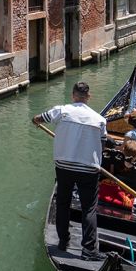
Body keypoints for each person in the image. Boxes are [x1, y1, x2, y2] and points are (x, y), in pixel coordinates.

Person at [32, 81, 106, 261]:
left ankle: (63, 241)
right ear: (88, 97)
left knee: (63, 203)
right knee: (89, 208)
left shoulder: (61, 111)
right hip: (89, 169)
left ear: (73, 95)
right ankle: (89, 250)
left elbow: (38, 118)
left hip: (64, 166)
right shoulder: (100, 120)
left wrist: (36, 121)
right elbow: (102, 144)